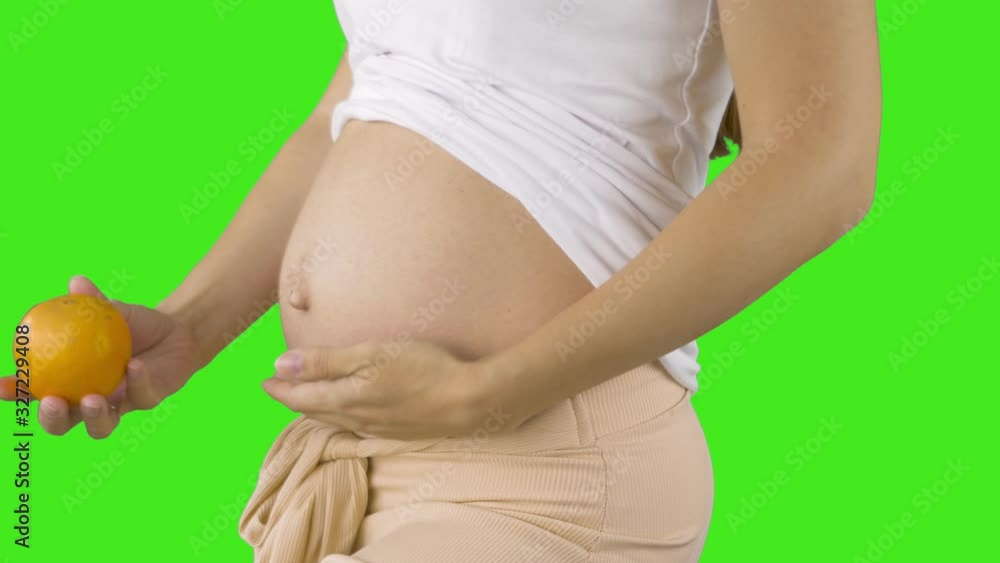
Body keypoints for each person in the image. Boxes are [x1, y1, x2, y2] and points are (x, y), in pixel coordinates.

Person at [2, 0, 881, 561]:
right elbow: (366, 104)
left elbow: (823, 159)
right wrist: (189, 327)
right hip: (372, 466)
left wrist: (496, 391)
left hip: (544, 467)